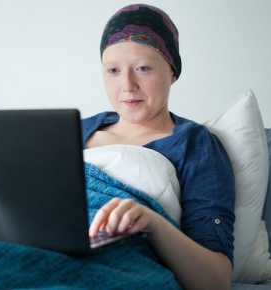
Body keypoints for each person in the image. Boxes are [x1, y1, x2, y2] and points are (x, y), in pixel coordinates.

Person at [83, 4, 235, 290]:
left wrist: (151, 222)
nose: (127, 85)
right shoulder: (75, 129)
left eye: (143, 68)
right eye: (113, 70)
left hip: (118, 268)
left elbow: (217, 280)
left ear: (172, 71)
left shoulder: (195, 145)